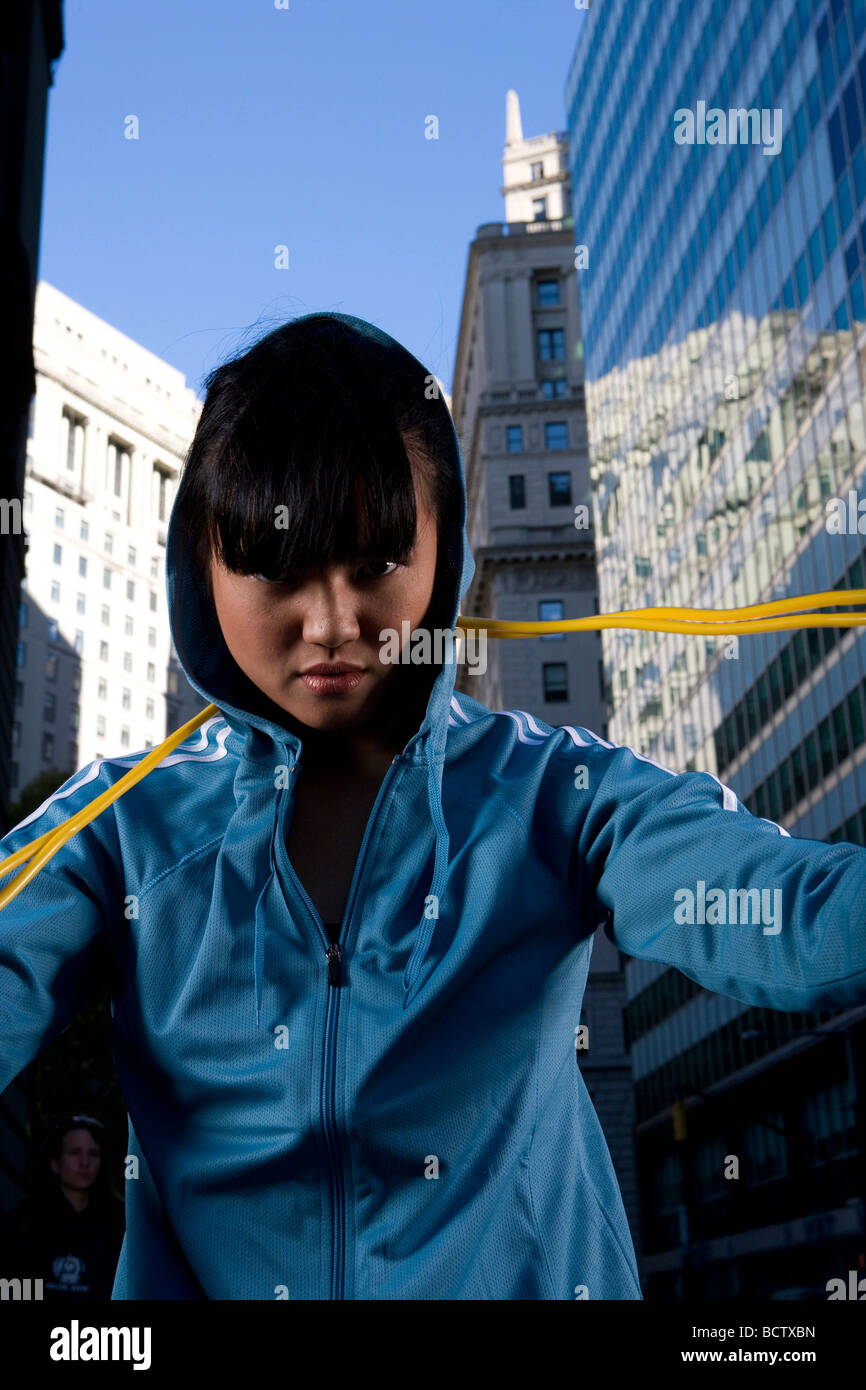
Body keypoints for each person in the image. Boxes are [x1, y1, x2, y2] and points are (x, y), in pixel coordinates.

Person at [0, 311, 864, 1300]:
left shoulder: (554, 793)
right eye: (276, 567)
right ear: (199, 560)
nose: (332, 622)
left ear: (442, 547)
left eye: (372, 563)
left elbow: (786, 906)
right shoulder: (116, 828)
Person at [0, 1115, 125, 1298]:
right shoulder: (24, 1224)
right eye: (74, 1152)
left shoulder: (117, 1225)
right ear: (55, 1162)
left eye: (93, 1153)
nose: (84, 1162)